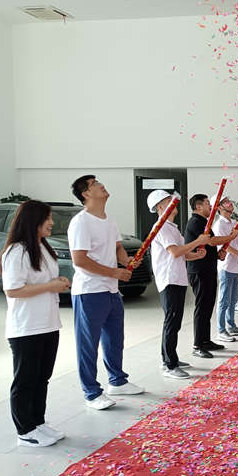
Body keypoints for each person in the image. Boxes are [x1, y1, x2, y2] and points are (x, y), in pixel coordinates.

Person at [69, 175, 144, 410]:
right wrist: (114, 272)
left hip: (111, 290)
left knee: (114, 339)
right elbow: (80, 259)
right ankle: (91, 393)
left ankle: (117, 381)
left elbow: (117, 247)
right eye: (94, 184)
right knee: (88, 344)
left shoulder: (109, 219)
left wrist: (126, 261)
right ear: (86, 194)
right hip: (89, 291)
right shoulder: (81, 222)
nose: (101, 184)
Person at [0, 200, 70, 447]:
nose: (52, 222)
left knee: (42, 377)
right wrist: (50, 286)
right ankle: (25, 430)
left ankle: (38, 422)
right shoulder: (16, 252)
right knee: (25, 380)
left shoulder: (42, 247)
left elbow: (43, 280)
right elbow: (13, 290)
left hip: (48, 323)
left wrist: (58, 282)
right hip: (26, 327)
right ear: (33, 221)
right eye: (47, 218)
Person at [146, 190, 211, 379]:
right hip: (169, 279)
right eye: (168, 201)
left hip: (177, 278)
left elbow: (182, 252)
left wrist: (195, 255)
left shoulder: (171, 227)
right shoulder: (161, 227)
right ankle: (170, 364)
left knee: (174, 322)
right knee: (172, 322)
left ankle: (168, 357)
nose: (174, 203)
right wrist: (198, 241)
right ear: (160, 206)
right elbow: (175, 252)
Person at [184, 193, 236, 358]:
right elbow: (211, 241)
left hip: (208, 269)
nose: (210, 206)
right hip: (199, 271)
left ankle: (205, 340)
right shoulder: (195, 222)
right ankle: (197, 345)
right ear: (198, 206)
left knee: (208, 306)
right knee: (202, 307)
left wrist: (217, 255)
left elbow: (209, 246)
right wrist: (231, 237)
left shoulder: (204, 223)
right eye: (207, 203)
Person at [213, 195, 238, 339]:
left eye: (229, 201)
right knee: (224, 300)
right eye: (226, 202)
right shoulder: (219, 225)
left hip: (236, 267)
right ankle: (221, 330)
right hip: (226, 267)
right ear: (219, 207)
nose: (230, 204)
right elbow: (225, 247)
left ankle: (231, 325)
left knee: (233, 299)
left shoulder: (235, 222)